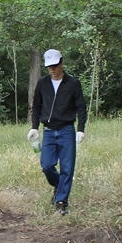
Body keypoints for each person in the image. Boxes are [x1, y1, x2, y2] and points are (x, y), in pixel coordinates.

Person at [28, 49, 87, 215]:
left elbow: (81, 107)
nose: (52, 69)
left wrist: (81, 129)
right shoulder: (42, 83)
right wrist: (34, 127)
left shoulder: (73, 84)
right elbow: (37, 106)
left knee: (67, 168)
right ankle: (58, 185)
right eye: (49, 67)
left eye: (55, 65)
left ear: (62, 63)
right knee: (46, 165)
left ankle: (61, 202)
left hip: (67, 130)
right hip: (48, 130)